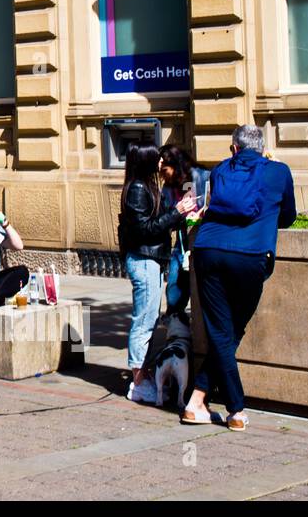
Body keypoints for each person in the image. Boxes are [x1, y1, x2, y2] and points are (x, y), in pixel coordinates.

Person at [182, 124, 296, 432]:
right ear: (262, 148)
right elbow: (288, 216)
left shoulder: (220, 170)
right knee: (229, 330)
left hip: (208, 251)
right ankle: (235, 409)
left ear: (234, 148)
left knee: (223, 330)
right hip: (250, 257)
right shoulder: (279, 171)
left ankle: (196, 401)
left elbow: (216, 204)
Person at [118, 146, 198, 404]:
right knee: (144, 321)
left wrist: (177, 213)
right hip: (144, 260)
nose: (161, 161)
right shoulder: (138, 189)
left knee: (150, 319)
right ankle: (139, 382)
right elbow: (145, 229)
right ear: (146, 161)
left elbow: (156, 222)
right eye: (157, 157)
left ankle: (143, 374)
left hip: (150, 259)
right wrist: (177, 212)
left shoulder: (145, 187)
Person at [159, 144, 210, 314]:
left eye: (165, 169)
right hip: (181, 241)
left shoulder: (201, 177)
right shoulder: (168, 187)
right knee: (174, 287)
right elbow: (167, 216)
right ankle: (176, 324)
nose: (162, 175)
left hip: (202, 239)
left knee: (202, 289)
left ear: (176, 165)